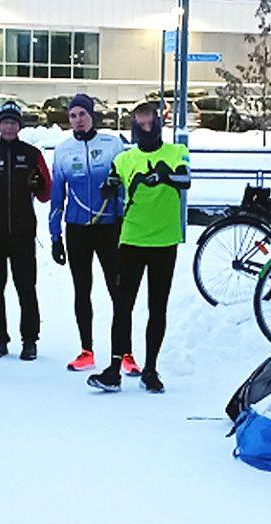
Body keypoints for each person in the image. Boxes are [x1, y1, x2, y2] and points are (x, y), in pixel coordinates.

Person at [87, 102, 190, 394]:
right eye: (140, 124)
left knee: (158, 307)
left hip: (165, 241)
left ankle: (151, 369)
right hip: (131, 240)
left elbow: (186, 180)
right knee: (123, 306)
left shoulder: (175, 152)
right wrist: (108, 186)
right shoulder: (125, 158)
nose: (145, 129)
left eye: (150, 124)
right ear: (133, 126)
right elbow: (113, 180)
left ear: (159, 124)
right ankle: (113, 368)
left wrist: (164, 175)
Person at [48, 93, 127, 371]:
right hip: (77, 229)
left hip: (109, 228)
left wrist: (115, 189)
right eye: (73, 116)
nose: (78, 120)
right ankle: (86, 350)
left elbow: (127, 183)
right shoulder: (63, 151)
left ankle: (125, 352)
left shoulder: (113, 144)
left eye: (82, 114)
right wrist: (55, 237)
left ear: (92, 115)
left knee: (118, 291)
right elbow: (57, 196)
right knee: (82, 290)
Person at [0, 101, 51, 361]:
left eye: (13, 122)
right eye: (4, 122)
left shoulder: (31, 154)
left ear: (19, 126)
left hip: (23, 232)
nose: (8, 127)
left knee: (26, 286)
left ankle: (30, 340)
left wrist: (38, 185)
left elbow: (46, 194)